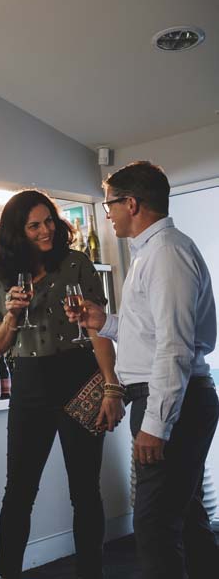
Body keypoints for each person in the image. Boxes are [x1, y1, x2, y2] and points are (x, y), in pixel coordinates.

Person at [66, 161, 219, 579]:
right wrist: (104, 322)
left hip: (170, 398)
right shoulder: (152, 253)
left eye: (109, 204)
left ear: (131, 203)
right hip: (166, 396)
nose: (107, 212)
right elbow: (151, 334)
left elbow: (175, 346)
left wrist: (155, 424)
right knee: (185, 518)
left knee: (153, 527)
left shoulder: (166, 253)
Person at [0, 190, 124, 579]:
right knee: (18, 492)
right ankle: (8, 573)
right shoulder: (2, 277)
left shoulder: (77, 263)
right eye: (35, 225)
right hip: (29, 384)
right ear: (19, 231)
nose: (46, 230)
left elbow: (97, 328)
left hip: (79, 378)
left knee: (85, 491)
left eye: (49, 221)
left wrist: (111, 385)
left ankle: (91, 573)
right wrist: (13, 315)